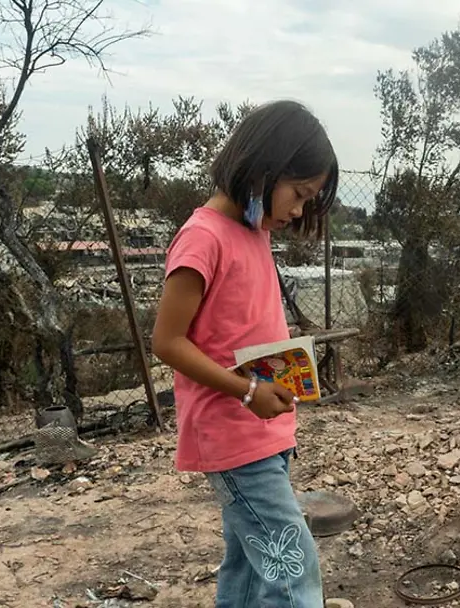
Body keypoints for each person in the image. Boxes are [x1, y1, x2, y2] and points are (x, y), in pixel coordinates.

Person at [151, 99, 338, 608]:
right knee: (293, 573)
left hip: (266, 433)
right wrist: (249, 389)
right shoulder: (202, 239)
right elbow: (166, 342)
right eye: (299, 194)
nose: (298, 210)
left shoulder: (251, 232)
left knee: (251, 569)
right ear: (264, 167)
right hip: (233, 433)